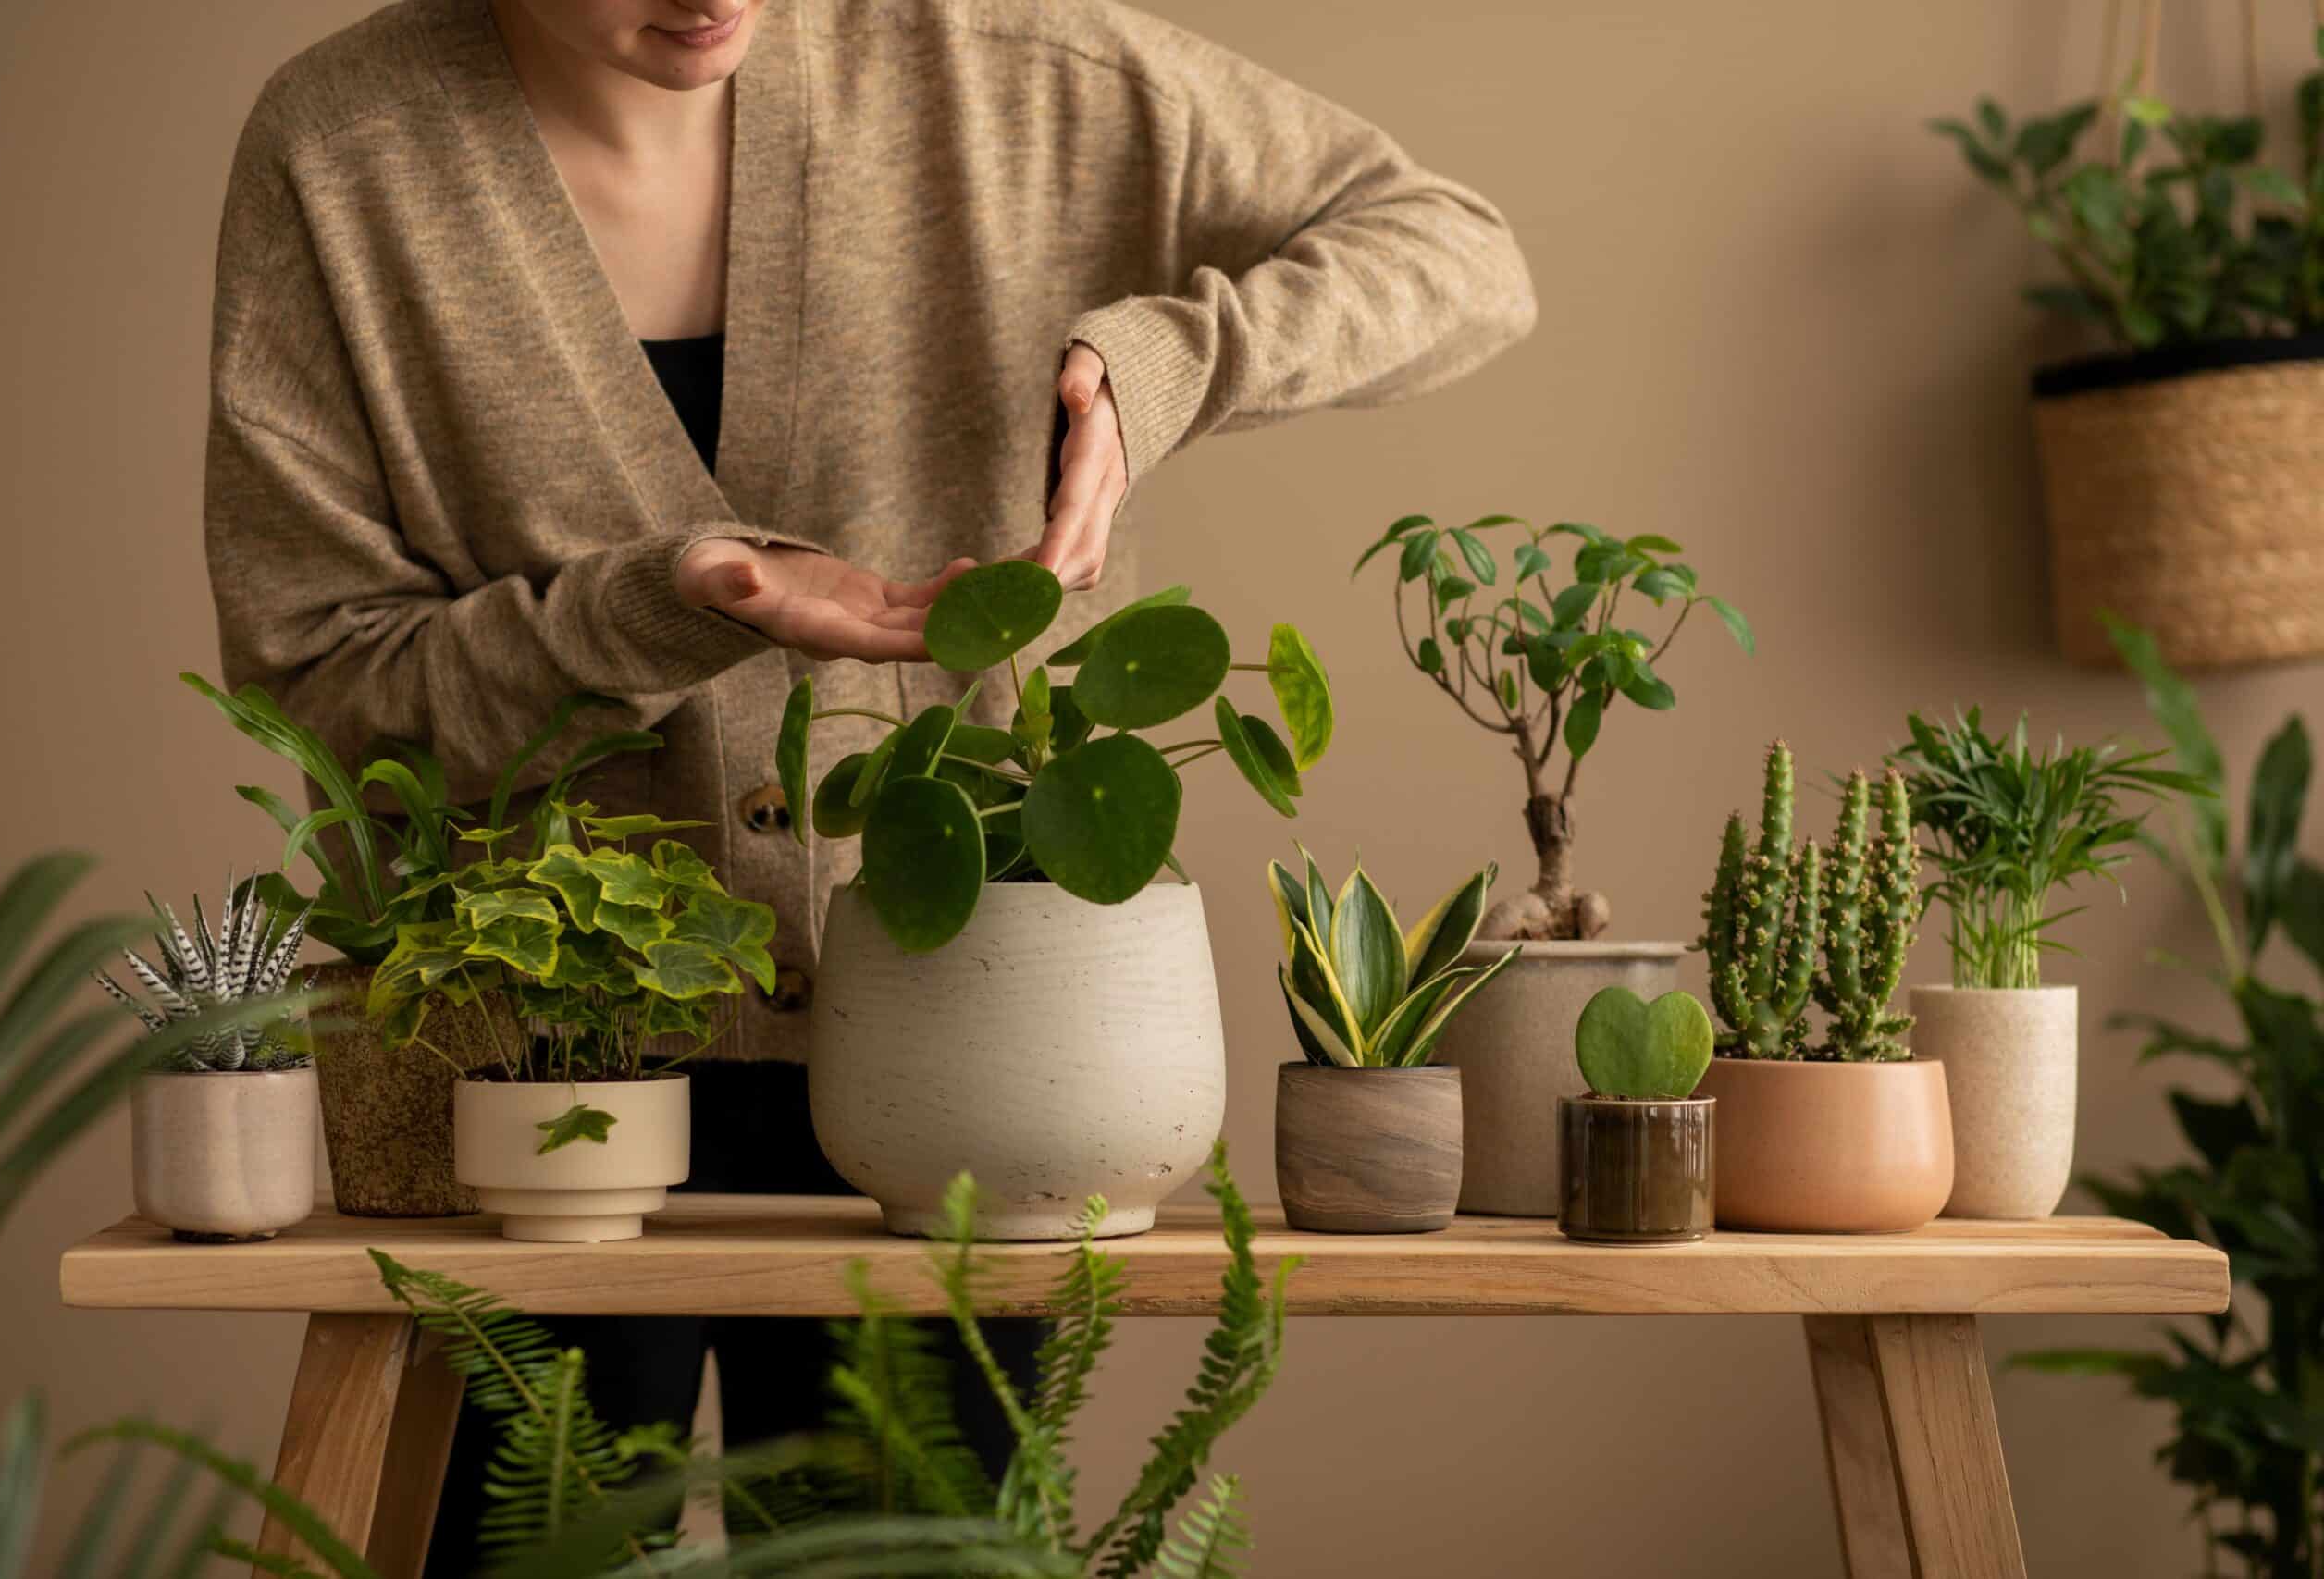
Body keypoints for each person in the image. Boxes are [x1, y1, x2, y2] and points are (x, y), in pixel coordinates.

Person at [204, 0, 1533, 1567]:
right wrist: (654, 603)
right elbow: (321, 689)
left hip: (949, 1041)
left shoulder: (1008, 72)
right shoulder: (346, 147)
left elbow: (1461, 259)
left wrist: (1160, 361)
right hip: (527, 1061)